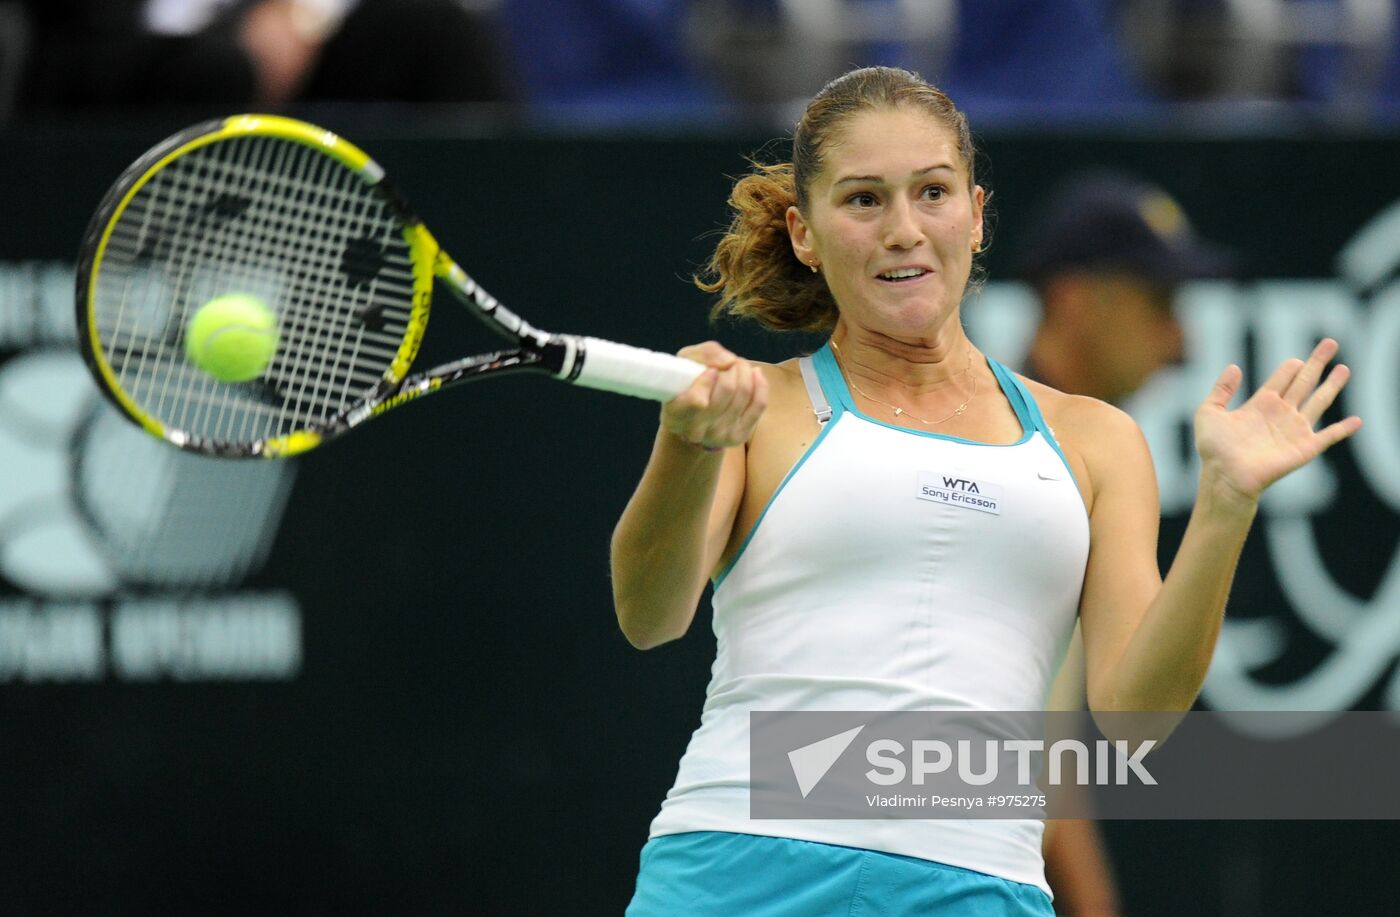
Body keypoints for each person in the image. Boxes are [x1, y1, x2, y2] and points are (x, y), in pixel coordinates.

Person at [610, 65, 1360, 916]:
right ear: (805, 232)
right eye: (863, 200)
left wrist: (1226, 507)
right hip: (739, 867)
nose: (903, 230)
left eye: (931, 192)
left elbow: (1136, 721)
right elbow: (648, 613)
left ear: (974, 211)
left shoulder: (1097, 442)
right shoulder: (758, 406)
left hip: (980, 888)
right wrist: (686, 446)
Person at [1016, 172, 1235, 916]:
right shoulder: (1017, 473)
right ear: (1075, 301)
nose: (1181, 344)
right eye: (1160, 305)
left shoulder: (1073, 464)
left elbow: (1038, 754)